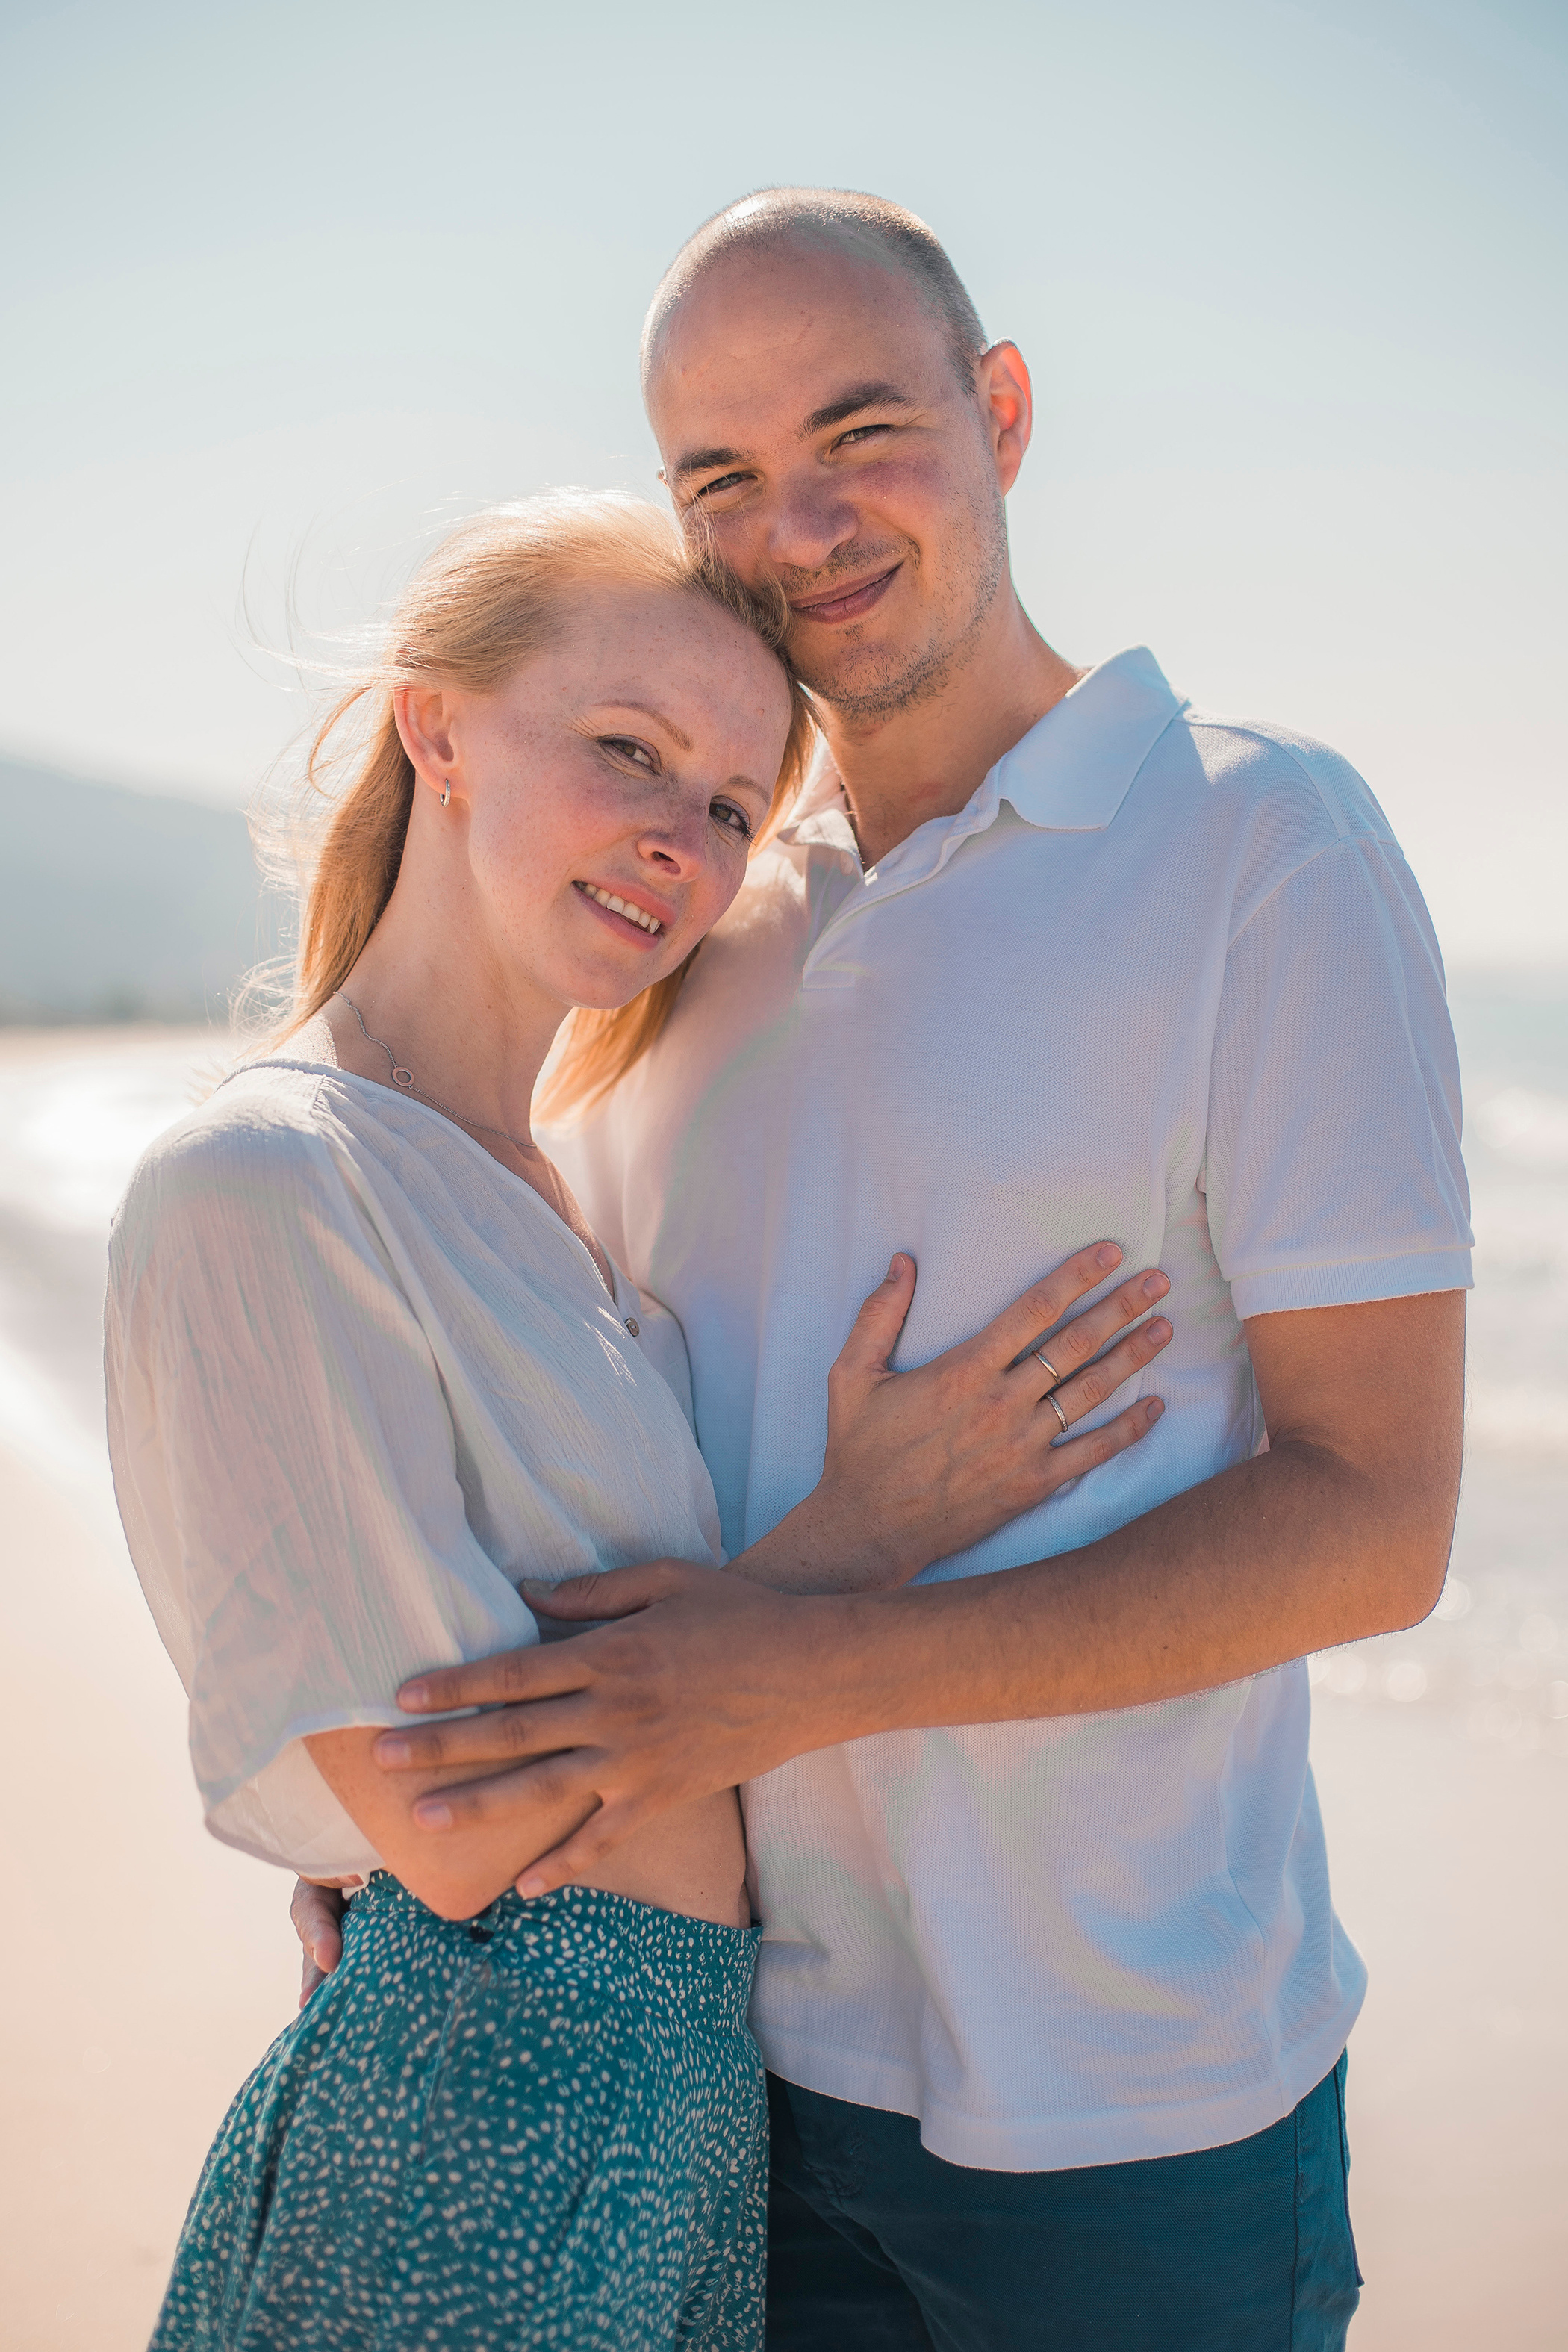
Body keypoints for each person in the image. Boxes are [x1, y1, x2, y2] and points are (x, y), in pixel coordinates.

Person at [293, 192, 1472, 2350]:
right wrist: (401, 1834)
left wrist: (804, 1664)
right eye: (719, 478)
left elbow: (1376, 1520)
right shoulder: (681, 930)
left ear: (1000, 412)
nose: (798, 524)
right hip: (716, 2069)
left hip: (1143, 2112)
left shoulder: (1254, 845)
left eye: (861, 432)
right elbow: (567, 1448)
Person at [109, 491, 1174, 2351]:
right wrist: (864, 1535)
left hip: (674, 2103)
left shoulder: (561, 1196)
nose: (681, 842)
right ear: (436, 725)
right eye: (628, 753)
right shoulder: (265, 1183)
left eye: (733, 808)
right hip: (476, 2113)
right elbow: (446, 1830)